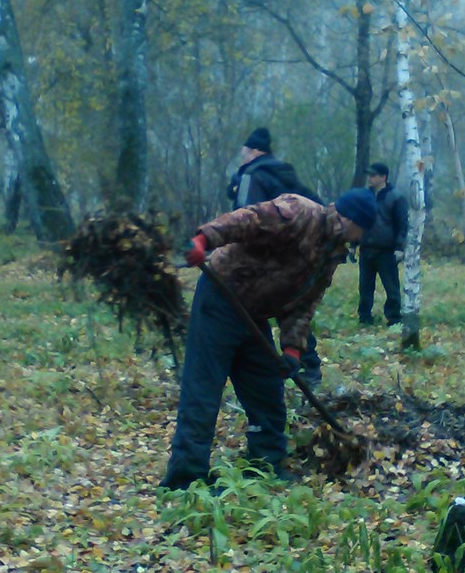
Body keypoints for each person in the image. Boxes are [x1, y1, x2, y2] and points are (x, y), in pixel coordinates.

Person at [159, 188, 378, 491]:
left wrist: (292, 348)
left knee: (266, 392)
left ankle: (264, 464)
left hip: (254, 314)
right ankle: (185, 477)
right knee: (203, 388)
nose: (360, 238)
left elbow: (304, 302)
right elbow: (247, 220)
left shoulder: (333, 251)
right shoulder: (299, 212)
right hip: (222, 297)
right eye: (362, 230)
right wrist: (204, 239)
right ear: (351, 219)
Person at [226, 126, 323, 385]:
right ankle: (308, 366)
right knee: (292, 307)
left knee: (255, 308)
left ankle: (261, 371)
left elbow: (244, 216)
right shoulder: (283, 173)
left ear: (255, 151)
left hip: (264, 255)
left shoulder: (252, 175)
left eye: (244, 151)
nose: (242, 156)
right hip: (295, 251)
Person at [357, 162, 410, 327]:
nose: (369, 178)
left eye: (373, 175)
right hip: (366, 249)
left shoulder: (396, 197)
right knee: (365, 287)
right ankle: (364, 317)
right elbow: (358, 221)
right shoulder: (365, 196)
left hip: (386, 251)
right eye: (369, 175)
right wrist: (353, 244)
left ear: (383, 177)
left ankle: (394, 318)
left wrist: (400, 248)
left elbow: (402, 225)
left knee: (391, 287)